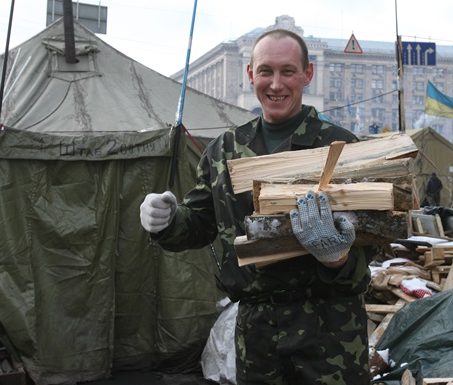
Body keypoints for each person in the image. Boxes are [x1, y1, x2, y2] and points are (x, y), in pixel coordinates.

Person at [139, 29, 371, 385]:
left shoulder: (338, 148)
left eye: (287, 71)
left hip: (331, 331)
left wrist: (336, 257)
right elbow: (200, 223)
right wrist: (167, 221)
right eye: (266, 71)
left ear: (307, 75)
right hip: (258, 331)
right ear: (250, 74)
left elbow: (373, 241)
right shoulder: (225, 151)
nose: (275, 84)